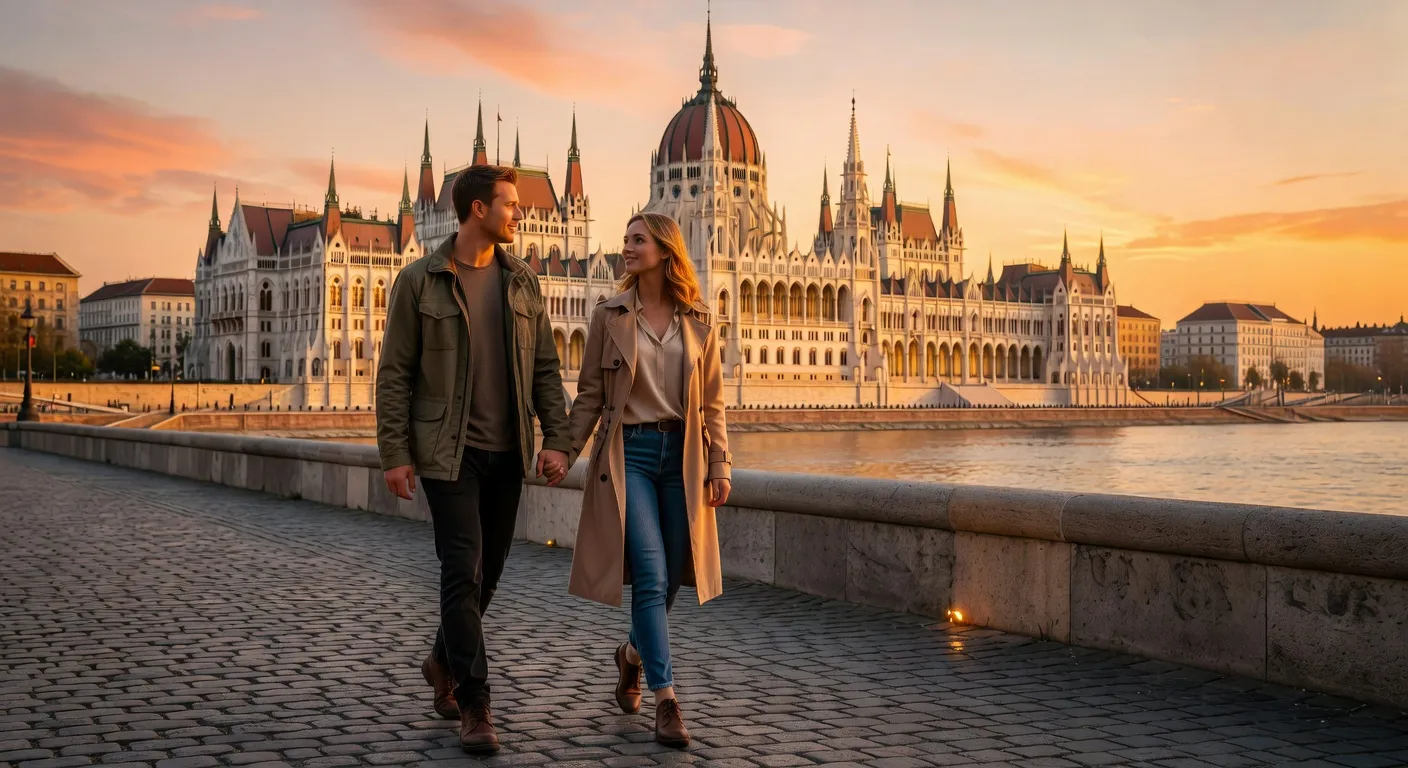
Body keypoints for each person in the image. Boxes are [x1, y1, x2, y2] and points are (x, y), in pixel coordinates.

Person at [375, 164, 572, 753]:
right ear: (477, 211)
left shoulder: (524, 283)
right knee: (461, 568)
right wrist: (395, 453)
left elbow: (543, 369)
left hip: (508, 450)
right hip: (446, 452)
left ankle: (441, 661)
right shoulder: (418, 281)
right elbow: (394, 376)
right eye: (510, 205)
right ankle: (475, 702)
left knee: (485, 577)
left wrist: (557, 438)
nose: (520, 214)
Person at [566, 212, 732, 748]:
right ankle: (667, 700)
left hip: (681, 456)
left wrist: (719, 464)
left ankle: (631, 656)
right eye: (626, 239)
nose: (627, 247)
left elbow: (712, 404)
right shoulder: (608, 315)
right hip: (629, 454)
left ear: (664, 250)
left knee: (676, 577)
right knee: (653, 575)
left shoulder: (701, 319)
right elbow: (590, 394)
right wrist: (563, 449)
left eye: (637, 240)